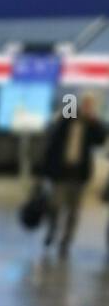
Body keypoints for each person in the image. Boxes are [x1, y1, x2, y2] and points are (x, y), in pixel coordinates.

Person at [40, 92, 107, 256]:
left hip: (79, 174)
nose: (86, 108)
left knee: (73, 211)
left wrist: (94, 120)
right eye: (85, 104)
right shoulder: (67, 120)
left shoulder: (92, 125)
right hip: (61, 172)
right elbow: (52, 133)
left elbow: (100, 139)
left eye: (90, 106)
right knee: (55, 205)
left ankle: (65, 241)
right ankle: (52, 231)